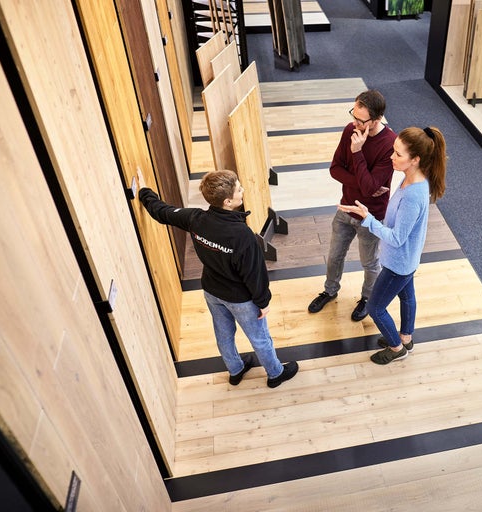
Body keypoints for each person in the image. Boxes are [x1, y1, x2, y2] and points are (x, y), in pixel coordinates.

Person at [136, 169, 298, 387]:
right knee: (259, 337)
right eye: (239, 189)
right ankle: (276, 373)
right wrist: (263, 302)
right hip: (241, 299)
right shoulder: (243, 235)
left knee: (224, 335)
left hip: (212, 292)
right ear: (228, 201)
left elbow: (161, 212)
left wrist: (144, 191)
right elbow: (255, 275)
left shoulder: (195, 219)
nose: (243, 190)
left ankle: (235, 370)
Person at [338, 126, 447, 365]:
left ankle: (397, 348)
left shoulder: (412, 195)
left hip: (398, 264)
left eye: (398, 154)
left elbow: (397, 238)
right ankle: (406, 337)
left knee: (376, 308)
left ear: (415, 159)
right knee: (407, 297)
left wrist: (368, 219)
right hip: (407, 260)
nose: (391, 157)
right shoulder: (412, 179)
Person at [308, 90, 397, 321]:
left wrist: (357, 153)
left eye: (361, 120)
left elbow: (369, 188)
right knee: (334, 256)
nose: (355, 123)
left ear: (377, 119)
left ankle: (368, 298)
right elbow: (335, 169)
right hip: (345, 208)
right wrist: (365, 184)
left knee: (370, 262)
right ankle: (330, 291)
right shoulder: (350, 130)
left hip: (370, 215)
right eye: (353, 115)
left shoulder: (390, 144)